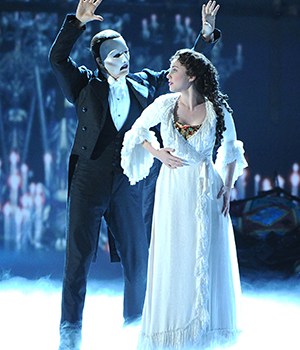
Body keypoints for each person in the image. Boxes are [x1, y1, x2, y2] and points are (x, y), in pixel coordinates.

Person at [49, 0, 220, 348]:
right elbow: (57, 60)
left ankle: (135, 324)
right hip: (89, 179)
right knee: (78, 258)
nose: (123, 59)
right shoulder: (84, 86)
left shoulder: (144, 84)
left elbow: (186, 71)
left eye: (125, 52)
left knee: (137, 259)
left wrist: (204, 34)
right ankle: (70, 329)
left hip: (128, 180)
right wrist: (77, 23)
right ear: (99, 62)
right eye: (114, 55)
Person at [121, 50, 248, 349]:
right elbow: (137, 131)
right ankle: (173, 329)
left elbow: (231, 150)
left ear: (191, 76)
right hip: (173, 191)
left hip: (206, 190)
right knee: (174, 254)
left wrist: (228, 186)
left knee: (203, 255)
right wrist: (157, 152)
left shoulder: (218, 110)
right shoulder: (164, 106)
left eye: (174, 69)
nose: (168, 74)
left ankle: (204, 330)